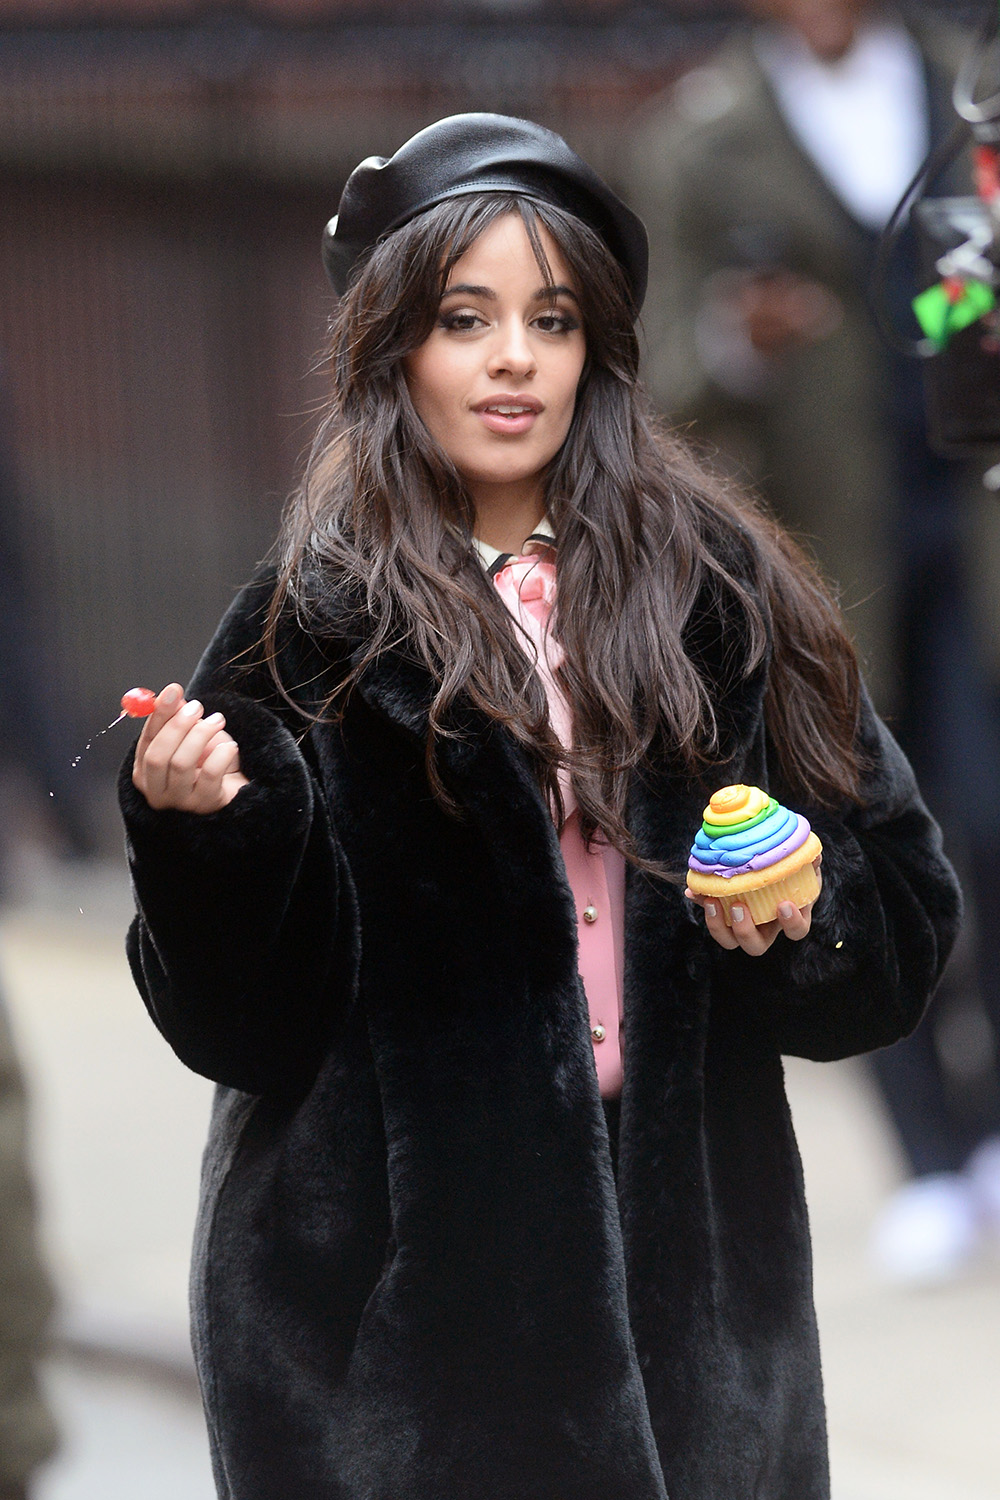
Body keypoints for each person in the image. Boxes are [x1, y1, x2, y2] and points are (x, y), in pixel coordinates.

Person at [118, 114, 959, 1500]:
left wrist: (807, 910)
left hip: (693, 1305)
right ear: (397, 350)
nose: (514, 358)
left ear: (597, 352)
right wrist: (205, 831)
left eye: (552, 319)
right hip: (389, 1341)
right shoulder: (303, 628)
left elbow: (902, 935)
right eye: (467, 318)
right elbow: (238, 1028)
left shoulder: (719, 596)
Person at [629, 0, 1000, 1284]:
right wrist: (747, 339)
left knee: (993, 835)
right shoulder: (702, 134)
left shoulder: (972, 89)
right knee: (859, 846)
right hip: (833, 565)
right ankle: (930, 1159)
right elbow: (665, 376)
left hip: (975, 529)